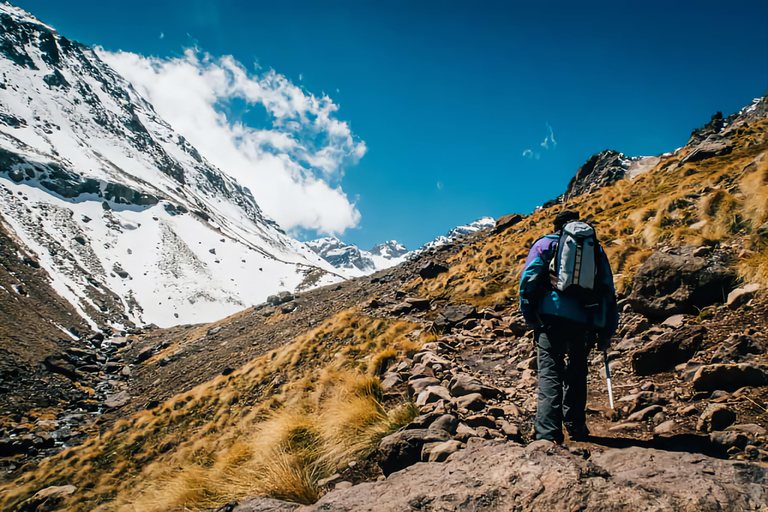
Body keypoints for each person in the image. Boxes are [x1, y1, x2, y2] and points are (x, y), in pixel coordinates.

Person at [518, 210, 618, 444]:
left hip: (550, 318)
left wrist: (530, 315)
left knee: (550, 373)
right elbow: (607, 290)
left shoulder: (544, 245)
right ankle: (576, 426)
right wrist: (606, 330)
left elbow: (528, 280)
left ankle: (548, 434)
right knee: (577, 371)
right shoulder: (595, 249)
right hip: (584, 321)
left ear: (557, 228)